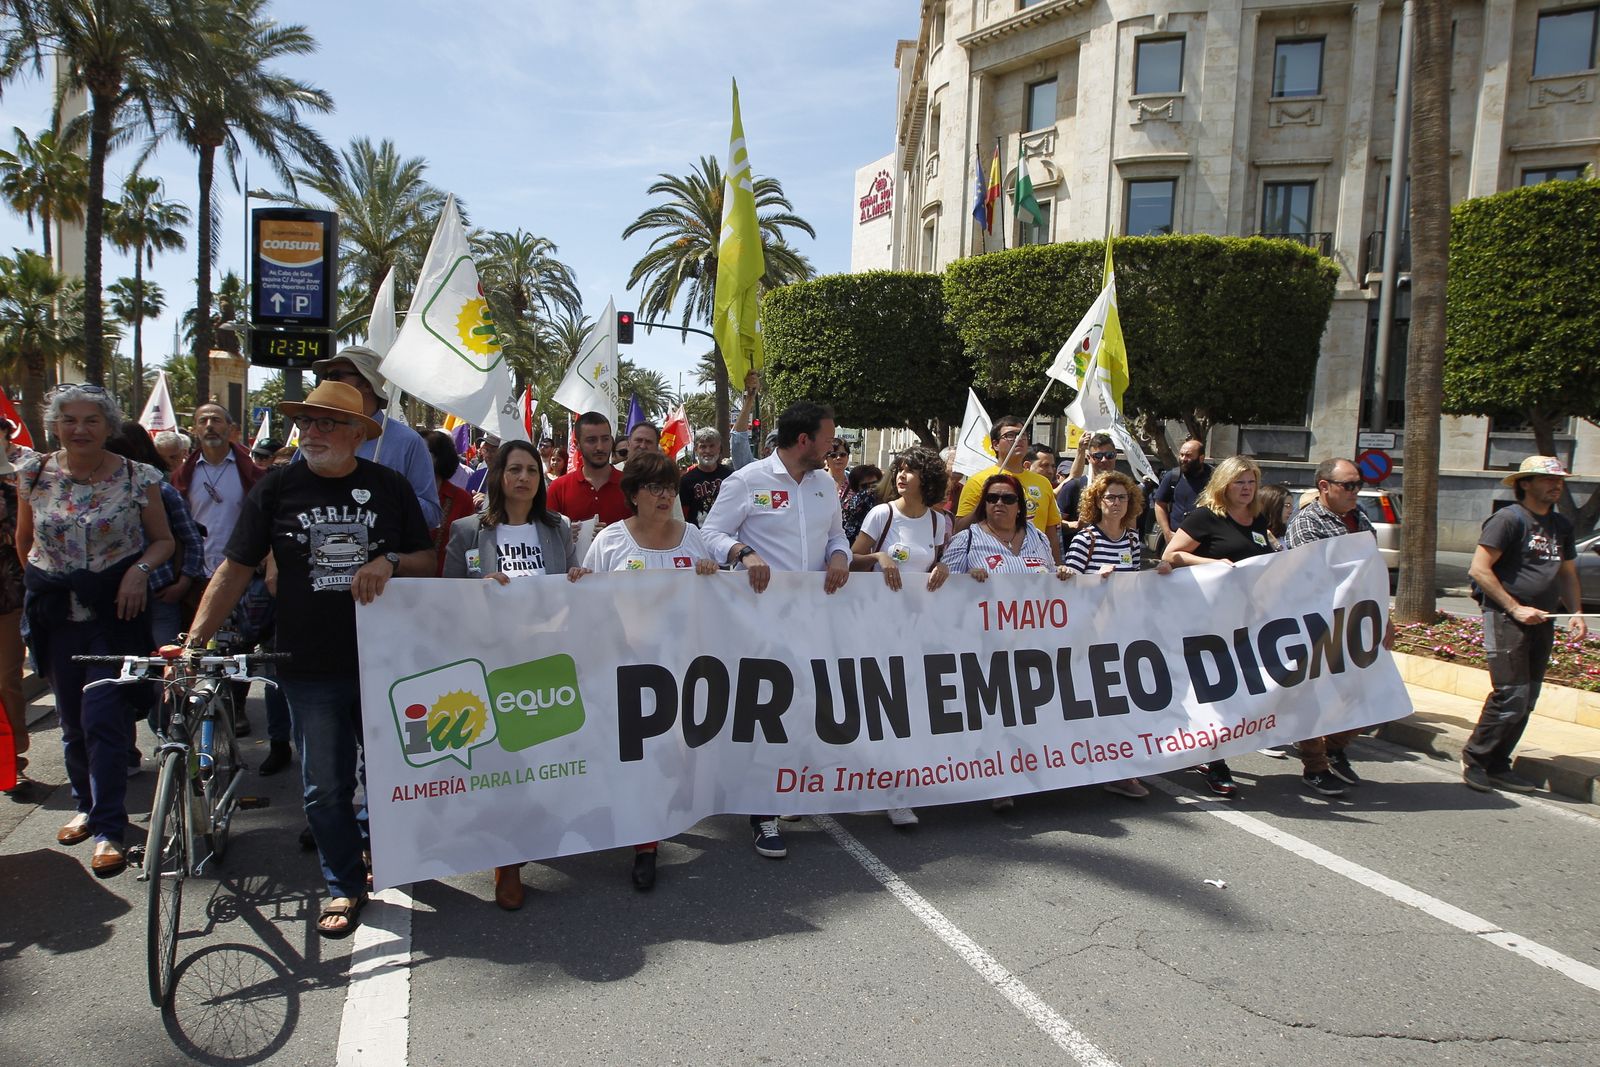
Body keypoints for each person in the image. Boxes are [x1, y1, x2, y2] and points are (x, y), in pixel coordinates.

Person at [187, 381, 432, 937]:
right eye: (308, 422)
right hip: (309, 667)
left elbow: (425, 559)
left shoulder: (389, 487)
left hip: (387, 664)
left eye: (326, 423)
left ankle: (398, 855)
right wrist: (196, 639)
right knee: (324, 786)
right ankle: (344, 885)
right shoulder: (275, 488)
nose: (313, 433)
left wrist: (389, 560)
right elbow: (235, 568)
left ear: (356, 434)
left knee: (401, 773)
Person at [17, 384, 174, 877]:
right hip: (58, 619)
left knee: (104, 715)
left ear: (109, 426)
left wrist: (137, 573)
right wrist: (52, 588)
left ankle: (109, 827)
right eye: (70, 420)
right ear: (55, 425)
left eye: (91, 420)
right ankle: (85, 805)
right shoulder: (33, 473)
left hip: (116, 618)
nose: (79, 429)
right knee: (72, 721)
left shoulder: (136, 477)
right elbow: (25, 542)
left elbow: (164, 541)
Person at [702, 400, 851, 859]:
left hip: (813, 620)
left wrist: (840, 556)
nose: (833, 446)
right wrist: (744, 553)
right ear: (804, 440)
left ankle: (788, 791)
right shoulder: (747, 481)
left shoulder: (825, 484)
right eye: (827, 438)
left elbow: (836, 537)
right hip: (759, 624)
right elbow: (709, 534)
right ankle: (761, 813)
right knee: (767, 714)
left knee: (803, 710)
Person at [569, 450, 718, 891]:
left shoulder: (693, 538)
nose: (665, 495)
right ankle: (645, 845)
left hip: (681, 668)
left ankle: (656, 825)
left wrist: (712, 572)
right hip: (627, 669)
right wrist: (580, 580)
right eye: (655, 487)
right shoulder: (610, 541)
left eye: (670, 487)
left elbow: (719, 602)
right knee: (638, 757)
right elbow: (586, 602)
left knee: (670, 755)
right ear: (633, 494)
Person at [443, 438, 578, 910]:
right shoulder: (466, 531)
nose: (523, 478)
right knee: (503, 765)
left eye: (532, 471)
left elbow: (573, 582)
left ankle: (530, 837)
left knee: (541, 758)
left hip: (545, 659)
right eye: (514, 469)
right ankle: (508, 861)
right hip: (491, 659)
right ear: (499, 475)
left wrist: (579, 582)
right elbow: (445, 596)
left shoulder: (556, 528)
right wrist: (475, 590)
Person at [945, 470, 1071, 812]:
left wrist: (1060, 574)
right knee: (995, 714)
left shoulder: (1038, 540)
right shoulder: (967, 539)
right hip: (986, 644)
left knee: (1028, 711)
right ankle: (997, 781)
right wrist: (966, 580)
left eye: (1008, 498)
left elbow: (1048, 580)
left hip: (1034, 644)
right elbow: (941, 587)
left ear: (1021, 506)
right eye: (992, 498)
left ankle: (1030, 771)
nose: (999, 504)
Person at [1462, 456, 1586, 794]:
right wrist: (1515, 608)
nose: (1556, 485)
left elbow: (1568, 573)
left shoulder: (1561, 526)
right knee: (1510, 694)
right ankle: (1476, 758)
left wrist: (1575, 611)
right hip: (1505, 618)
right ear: (1525, 483)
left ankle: (1499, 764)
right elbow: (1479, 570)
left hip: (1542, 620)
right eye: (1547, 479)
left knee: (1527, 696)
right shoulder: (1508, 519)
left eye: (1559, 480)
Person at [1162, 455, 1276, 798]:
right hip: (1207, 621)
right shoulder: (1206, 517)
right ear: (1223, 484)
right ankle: (1216, 761)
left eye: (1251, 482)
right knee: (1216, 692)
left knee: (1237, 690)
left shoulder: (1257, 519)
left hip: (1246, 620)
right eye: (1239, 482)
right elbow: (1172, 555)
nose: (1246, 488)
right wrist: (1214, 563)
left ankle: (1207, 750)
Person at [850, 446, 951, 828]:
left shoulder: (941, 522)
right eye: (901, 469)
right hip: (872, 628)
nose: (903, 476)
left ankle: (897, 795)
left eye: (912, 470)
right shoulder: (882, 513)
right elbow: (848, 558)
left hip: (916, 631)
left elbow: (939, 563)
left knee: (903, 713)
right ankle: (834, 784)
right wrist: (878, 558)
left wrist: (943, 566)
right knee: (867, 708)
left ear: (928, 479)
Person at [1281, 457, 1389, 796]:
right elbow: (1311, 576)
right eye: (1349, 485)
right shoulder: (1307, 522)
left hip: (1359, 619)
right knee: (1312, 695)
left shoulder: (1360, 519)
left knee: (1372, 690)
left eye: (1359, 484)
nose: (1357, 492)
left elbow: (1371, 571)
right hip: (1319, 623)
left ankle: (1336, 747)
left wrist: (1386, 618)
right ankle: (1314, 766)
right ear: (1324, 487)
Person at [1064, 471, 1172, 799]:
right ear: (1097, 502)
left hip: (1123, 633)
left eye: (1122, 497)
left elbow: (1134, 582)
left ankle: (1121, 770)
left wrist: (1157, 572)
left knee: (1121, 704)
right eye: (1109, 497)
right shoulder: (1087, 539)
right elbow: (1067, 582)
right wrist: (1094, 577)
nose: (1116, 503)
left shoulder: (1131, 541)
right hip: (1090, 634)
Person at [310, 345, 442, 528]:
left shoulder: (408, 442)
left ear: (366, 384)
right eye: (325, 377)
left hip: (385, 555)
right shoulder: (314, 434)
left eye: (336, 376)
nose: (328, 383)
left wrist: (385, 489)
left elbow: (432, 516)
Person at [955, 416, 1062, 563]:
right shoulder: (977, 481)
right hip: (992, 565)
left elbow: (1051, 533)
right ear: (995, 444)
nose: (1019, 439)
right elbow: (960, 529)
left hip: (1035, 567)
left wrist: (1056, 568)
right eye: (1010, 435)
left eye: (1023, 434)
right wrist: (984, 502)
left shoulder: (1043, 483)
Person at [548, 411, 631, 526]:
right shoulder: (558, 488)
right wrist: (566, 535)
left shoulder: (630, 486)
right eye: (591, 440)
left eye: (605, 439)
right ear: (577, 444)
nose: (600, 447)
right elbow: (548, 536)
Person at [0, 451, 25, 793]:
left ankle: (13, 762)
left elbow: (25, 541)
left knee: (6, 679)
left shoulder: (13, 495)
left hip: (7, 600)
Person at [424, 430, 477, 577]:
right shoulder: (402, 493)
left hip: (450, 586)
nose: (413, 455)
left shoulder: (461, 499)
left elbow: (471, 548)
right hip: (406, 586)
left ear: (439, 457)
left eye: (421, 450)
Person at [1056, 433, 1118, 539]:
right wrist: (1076, 525)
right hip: (1079, 551)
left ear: (1115, 455)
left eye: (1109, 455)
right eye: (1098, 456)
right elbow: (1055, 523)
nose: (1104, 460)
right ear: (1089, 458)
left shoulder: (1124, 488)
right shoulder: (1074, 487)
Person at [1153, 438, 1211, 548]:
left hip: (1205, 542)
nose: (1184, 459)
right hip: (1176, 540)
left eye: (1189, 455)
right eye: (1182, 455)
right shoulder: (1172, 477)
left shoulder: (1214, 478)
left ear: (1201, 458)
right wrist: (1167, 533)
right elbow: (1160, 504)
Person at [679, 427, 732, 527]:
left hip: (726, 534)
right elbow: (683, 514)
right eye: (703, 447)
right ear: (696, 449)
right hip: (697, 536)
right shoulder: (686, 481)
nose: (708, 451)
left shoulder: (730, 476)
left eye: (712, 446)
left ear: (719, 448)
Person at [840, 463, 883, 543]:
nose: (870, 490)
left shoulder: (885, 503)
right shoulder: (852, 505)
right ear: (856, 488)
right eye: (865, 486)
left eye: (874, 485)